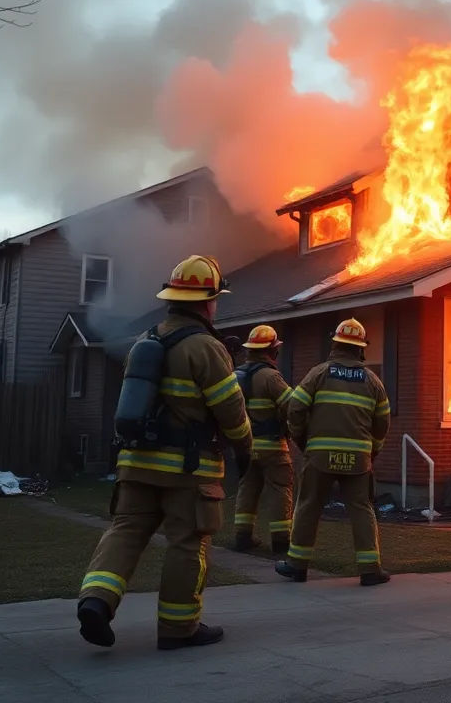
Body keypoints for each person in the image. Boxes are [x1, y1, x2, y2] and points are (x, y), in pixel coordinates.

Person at [76, 255, 253, 650]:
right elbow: (231, 412)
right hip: (187, 472)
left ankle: (96, 601)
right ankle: (178, 628)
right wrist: (245, 447)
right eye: (216, 299)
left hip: (135, 464)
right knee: (187, 542)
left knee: (126, 531)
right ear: (207, 302)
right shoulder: (206, 347)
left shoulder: (146, 341)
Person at [275, 317, 392, 586]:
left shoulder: (319, 373)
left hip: (320, 456)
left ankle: (297, 565)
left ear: (336, 344)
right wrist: (371, 451)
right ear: (360, 348)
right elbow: (383, 422)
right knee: (362, 508)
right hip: (358, 460)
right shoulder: (373, 381)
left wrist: (303, 441)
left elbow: (295, 408)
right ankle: (370, 569)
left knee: (308, 506)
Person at [232, 325, 295, 554]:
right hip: (272, 447)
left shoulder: (236, 376)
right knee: (280, 489)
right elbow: (293, 407)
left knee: (247, 488)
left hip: (245, 447)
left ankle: (242, 537)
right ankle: (280, 541)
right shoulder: (271, 377)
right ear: (271, 351)